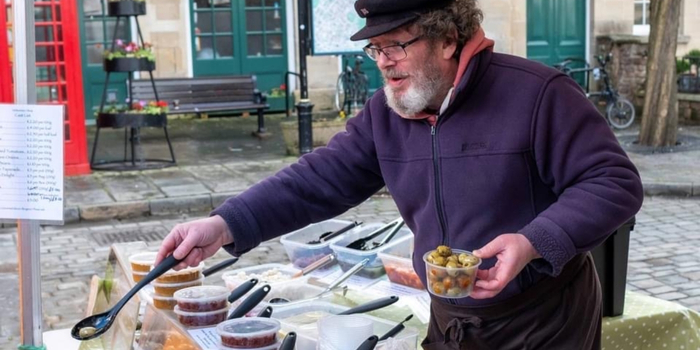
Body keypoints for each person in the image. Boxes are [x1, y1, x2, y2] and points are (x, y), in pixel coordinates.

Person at [156, 0, 643, 347]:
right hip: (451, 318)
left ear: (449, 39)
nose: (384, 61)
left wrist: (534, 240)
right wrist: (224, 225)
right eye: (376, 48)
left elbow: (613, 181)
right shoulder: (385, 114)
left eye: (397, 44)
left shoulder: (538, 94)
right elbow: (318, 179)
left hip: (545, 322)